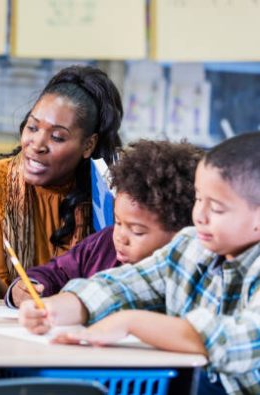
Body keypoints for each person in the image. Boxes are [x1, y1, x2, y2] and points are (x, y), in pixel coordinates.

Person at [19, 132, 260, 395]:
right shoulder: (190, 246)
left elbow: (233, 342)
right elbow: (122, 286)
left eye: (216, 208)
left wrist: (130, 322)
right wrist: (55, 309)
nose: (199, 215)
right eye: (199, 199)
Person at [0, 65, 123, 298]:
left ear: (88, 145)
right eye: (32, 127)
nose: (37, 144)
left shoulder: (106, 195)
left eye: (58, 137)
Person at [7, 140, 202, 308]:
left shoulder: (189, 275)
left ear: (181, 234)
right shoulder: (102, 245)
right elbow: (56, 272)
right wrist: (27, 287)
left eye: (137, 231)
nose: (120, 237)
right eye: (118, 222)